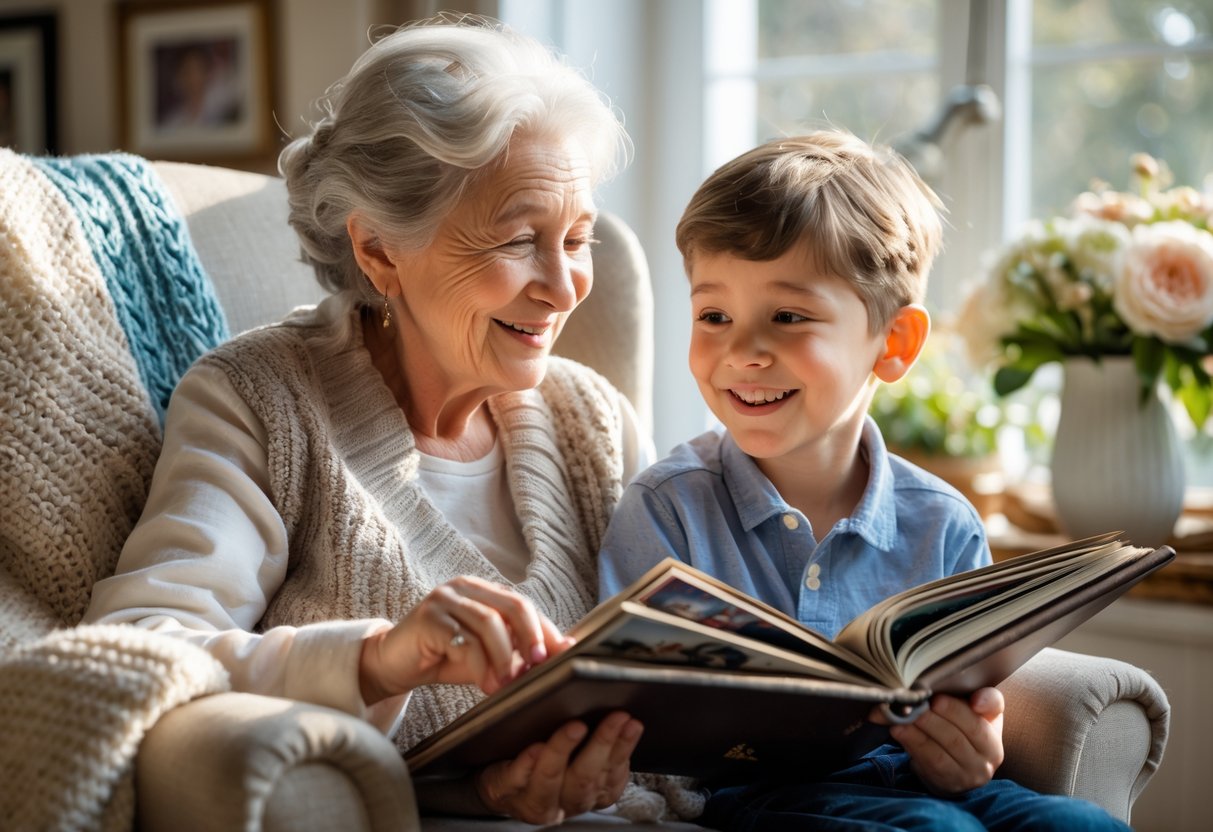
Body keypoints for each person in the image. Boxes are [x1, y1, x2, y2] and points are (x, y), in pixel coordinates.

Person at [85, 15, 656, 824]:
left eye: (577, 238)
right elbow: (142, 649)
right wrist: (380, 661)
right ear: (381, 251)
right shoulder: (260, 399)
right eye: (521, 240)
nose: (564, 287)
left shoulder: (593, 421)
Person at [597, 130, 1132, 831]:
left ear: (893, 344)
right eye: (713, 315)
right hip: (751, 798)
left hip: (920, 786)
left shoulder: (942, 520)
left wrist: (969, 751)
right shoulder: (667, 507)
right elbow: (622, 710)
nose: (741, 351)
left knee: (1081, 826)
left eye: (787, 317)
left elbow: (973, 711)